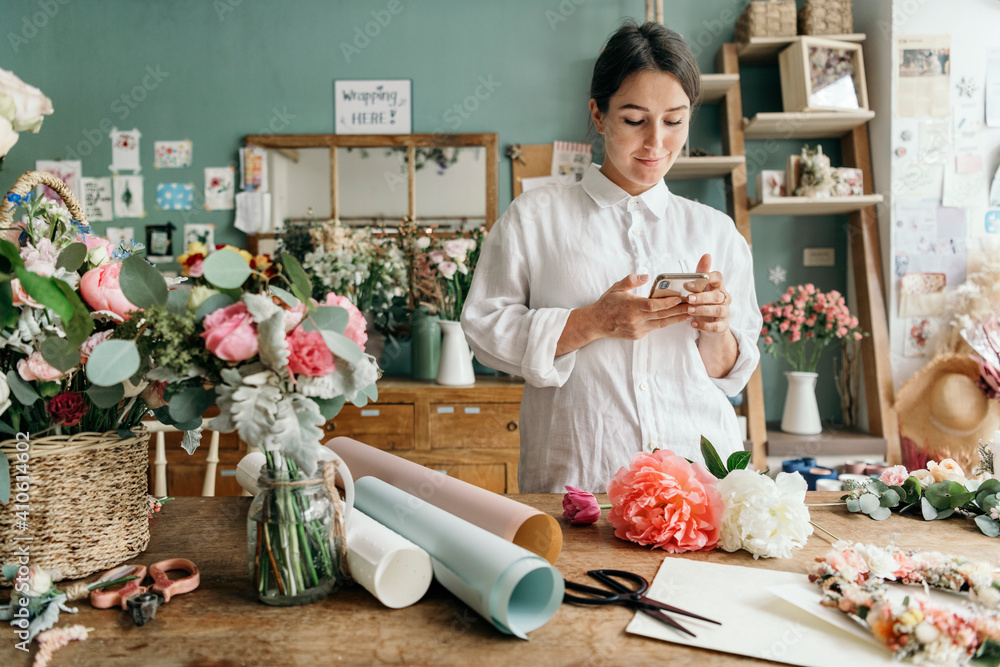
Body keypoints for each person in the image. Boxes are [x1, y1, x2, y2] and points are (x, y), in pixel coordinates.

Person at [461, 20, 762, 493]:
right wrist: (593, 322)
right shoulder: (535, 217)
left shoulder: (715, 231)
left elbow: (728, 374)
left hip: (701, 479)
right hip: (584, 476)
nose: (656, 143)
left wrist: (717, 327)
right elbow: (483, 329)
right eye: (634, 119)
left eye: (674, 120)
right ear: (599, 116)